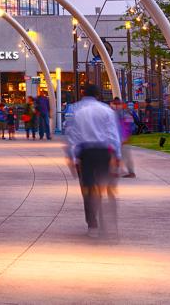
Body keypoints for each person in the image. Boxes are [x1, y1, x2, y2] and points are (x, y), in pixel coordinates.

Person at [66, 84, 122, 238]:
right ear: (98, 95)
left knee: (88, 189)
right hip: (104, 153)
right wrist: (117, 156)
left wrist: (73, 157)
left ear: (83, 94)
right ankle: (108, 224)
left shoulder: (75, 110)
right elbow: (113, 135)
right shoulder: (107, 110)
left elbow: (72, 136)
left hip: (86, 154)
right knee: (105, 186)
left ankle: (92, 224)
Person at [112, 99, 137, 178]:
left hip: (123, 138)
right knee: (117, 155)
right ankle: (116, 171)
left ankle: (130, 172)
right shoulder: (114, 114)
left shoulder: (124, 114)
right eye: (115, 104)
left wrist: (127, 137)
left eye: (118, 104)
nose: (116, 105)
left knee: (125, 155)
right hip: (117, 138)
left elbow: (131, 127)